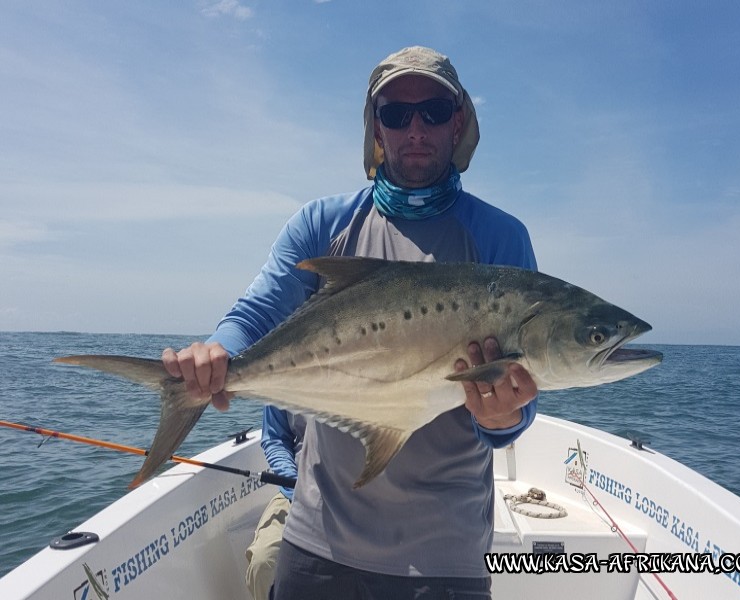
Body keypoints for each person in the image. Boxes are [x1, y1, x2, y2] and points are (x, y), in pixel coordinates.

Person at [162, 46, 539, 599]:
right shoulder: (323, 225)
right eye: (395, 113)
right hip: (318, 544)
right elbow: (258, 312)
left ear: (458, 121)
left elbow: (515, 409)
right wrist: (217, 354)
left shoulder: (502, 239)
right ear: (375, 126)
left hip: (446, 558)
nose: (415, 128)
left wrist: (505, 418)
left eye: (433, 111)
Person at [245, 407, 305, 599]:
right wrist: (295, 487)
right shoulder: (284, 379)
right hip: (298, 492)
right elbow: (275, 438)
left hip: (371, 496)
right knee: (264, 562)